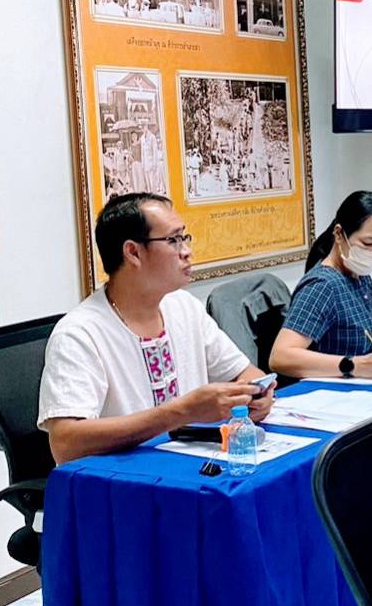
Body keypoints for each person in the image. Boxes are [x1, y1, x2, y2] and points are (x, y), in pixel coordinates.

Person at [38, 192, 274, 465]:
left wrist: (257, 397)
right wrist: (181, 412)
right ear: (133, 252)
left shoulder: (183, 306)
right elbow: (65, 443)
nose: (186, 251)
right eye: (173, 240)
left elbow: (245, 373)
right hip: (123, 479)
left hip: (190, 465)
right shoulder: (79, 334)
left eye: (184, 238)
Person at [270, 190, 372, 380]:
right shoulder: (323, 286)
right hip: (336, 390)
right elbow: (280, 357)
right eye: (368, 243)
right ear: (338, 234)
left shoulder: (361, 276)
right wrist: (352, 365)